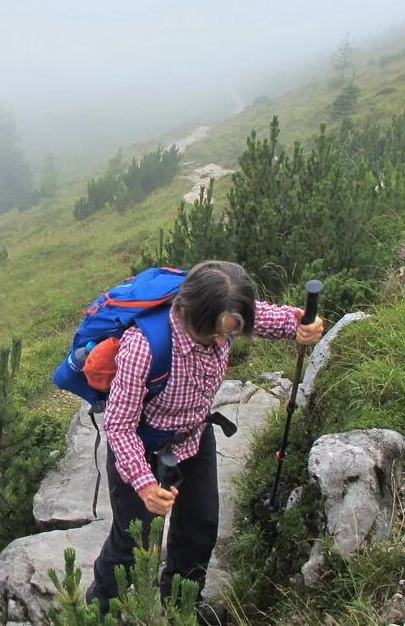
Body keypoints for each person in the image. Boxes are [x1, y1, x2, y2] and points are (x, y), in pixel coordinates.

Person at [84, 261, 325, 623]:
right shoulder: (144, 346)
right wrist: (146, 485)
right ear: (185, 311)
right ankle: (97, 614)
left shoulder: (223, 314)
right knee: (133, 543)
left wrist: (300, 325)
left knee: (200, 529)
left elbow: (264, 317)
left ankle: (182, 609)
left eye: (230, 333)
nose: (222, 342)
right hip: (143, 449)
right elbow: (119, 426)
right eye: (213, 334)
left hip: (194, 438)